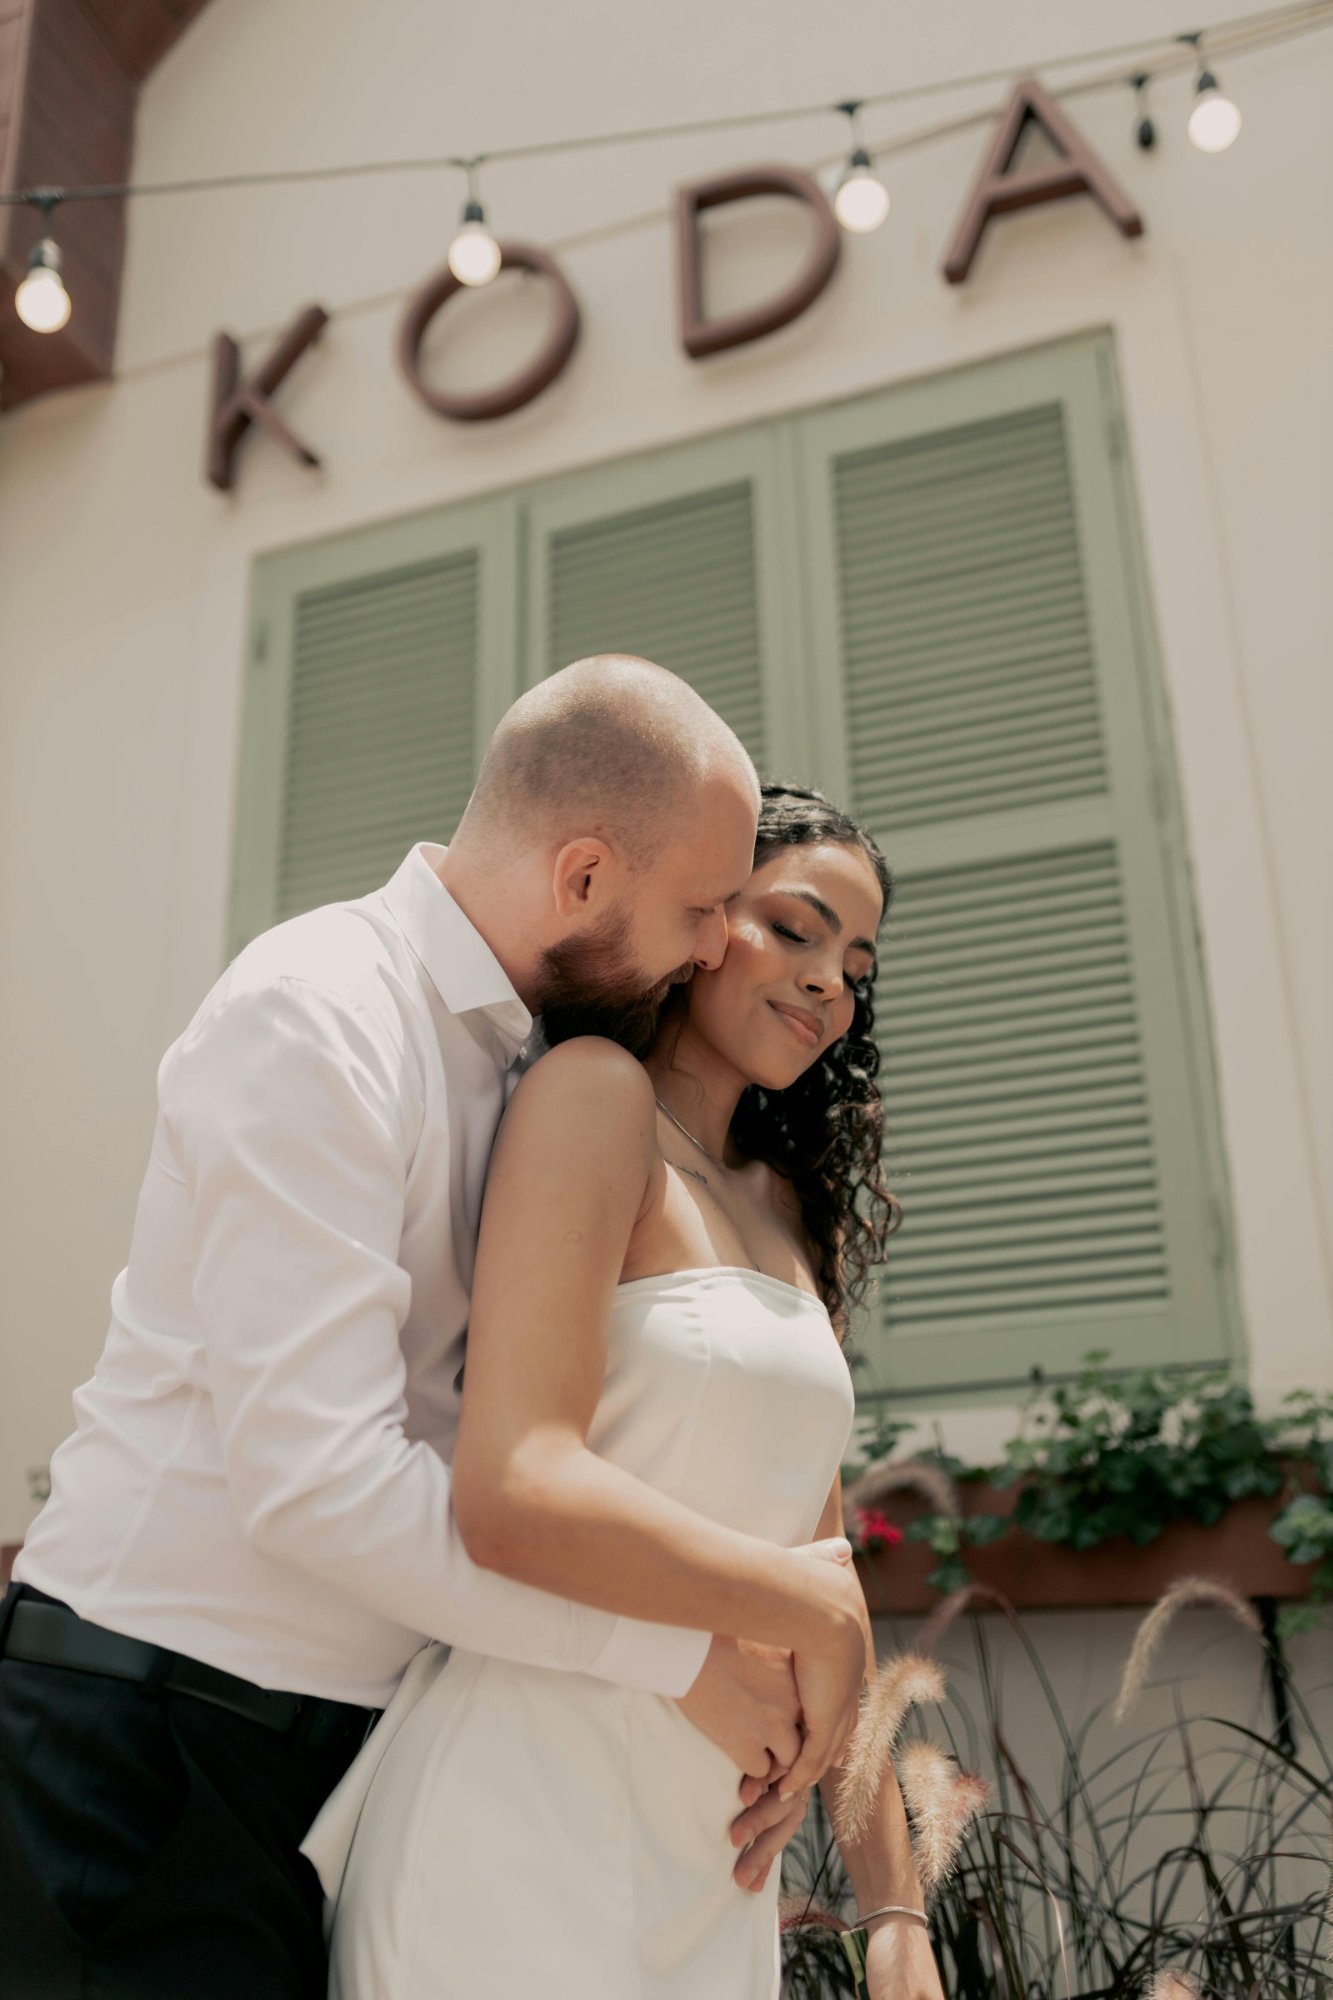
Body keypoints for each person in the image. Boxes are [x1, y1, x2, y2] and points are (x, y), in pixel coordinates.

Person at [0, 659, 858, 2000]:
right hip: (152, 1743)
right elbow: (320, 1484)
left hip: (358, 1750)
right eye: (699, 909)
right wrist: (675, 1656)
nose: (712, 950)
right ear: (581, 876)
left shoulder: (547, 1062)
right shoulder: (322, 1012)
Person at [305, 782, 945, 2000]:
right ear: (702, 923)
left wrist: (894, 1905)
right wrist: (804, 1613)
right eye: (794, 928)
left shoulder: (783, 1205)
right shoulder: (593, 1098)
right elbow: (523, 1481)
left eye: (856, 962)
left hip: (709, 1844)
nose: (830, 982)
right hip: (523, 1796)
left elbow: (824, 1565)